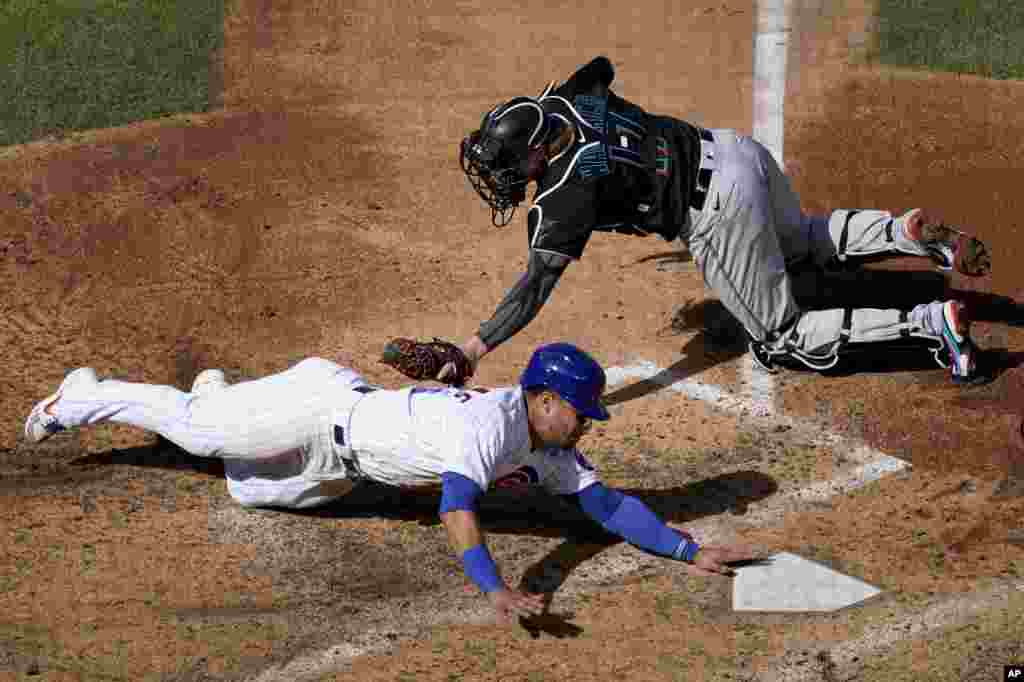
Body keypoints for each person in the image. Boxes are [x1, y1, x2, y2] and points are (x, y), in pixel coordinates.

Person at [23, 343, 759, 623]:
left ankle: (224, 396)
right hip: (320, 414)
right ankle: (83, 394)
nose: (589, 424)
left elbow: (608, 505)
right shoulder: (492, 428)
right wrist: (496, 588)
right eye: (582, 412)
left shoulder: (548, 448)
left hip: (339, 465)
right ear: (543, 399)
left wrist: (689, 551)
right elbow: (456, 508)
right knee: (198, 432)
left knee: (247, 490)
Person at [452, 55, 991, 384]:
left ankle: (930, 325)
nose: (501, 175)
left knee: (783, 338)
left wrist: (473, 349)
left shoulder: (563, 198)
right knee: (797, 239)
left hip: (717, 212)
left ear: (540, 149)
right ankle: (899, 231)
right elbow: (601, 69)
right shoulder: (570, 98)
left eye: (507, 163)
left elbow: (533, 288)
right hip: (735, 152)